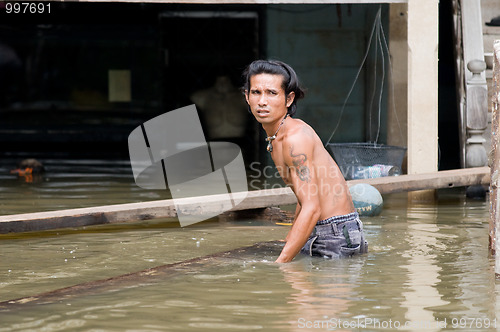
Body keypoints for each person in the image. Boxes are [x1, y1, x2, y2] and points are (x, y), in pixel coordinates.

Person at [242, 60, 368, 263]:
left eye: (272, 93)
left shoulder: (295, 139)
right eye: (256, 92)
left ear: (289, 98)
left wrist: (280, 264)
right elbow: (304, 198)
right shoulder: (279, 135)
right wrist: (291, 238)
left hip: (334, 235)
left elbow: (312, 207)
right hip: (334, 230)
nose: (262, 101)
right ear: (246, 97)